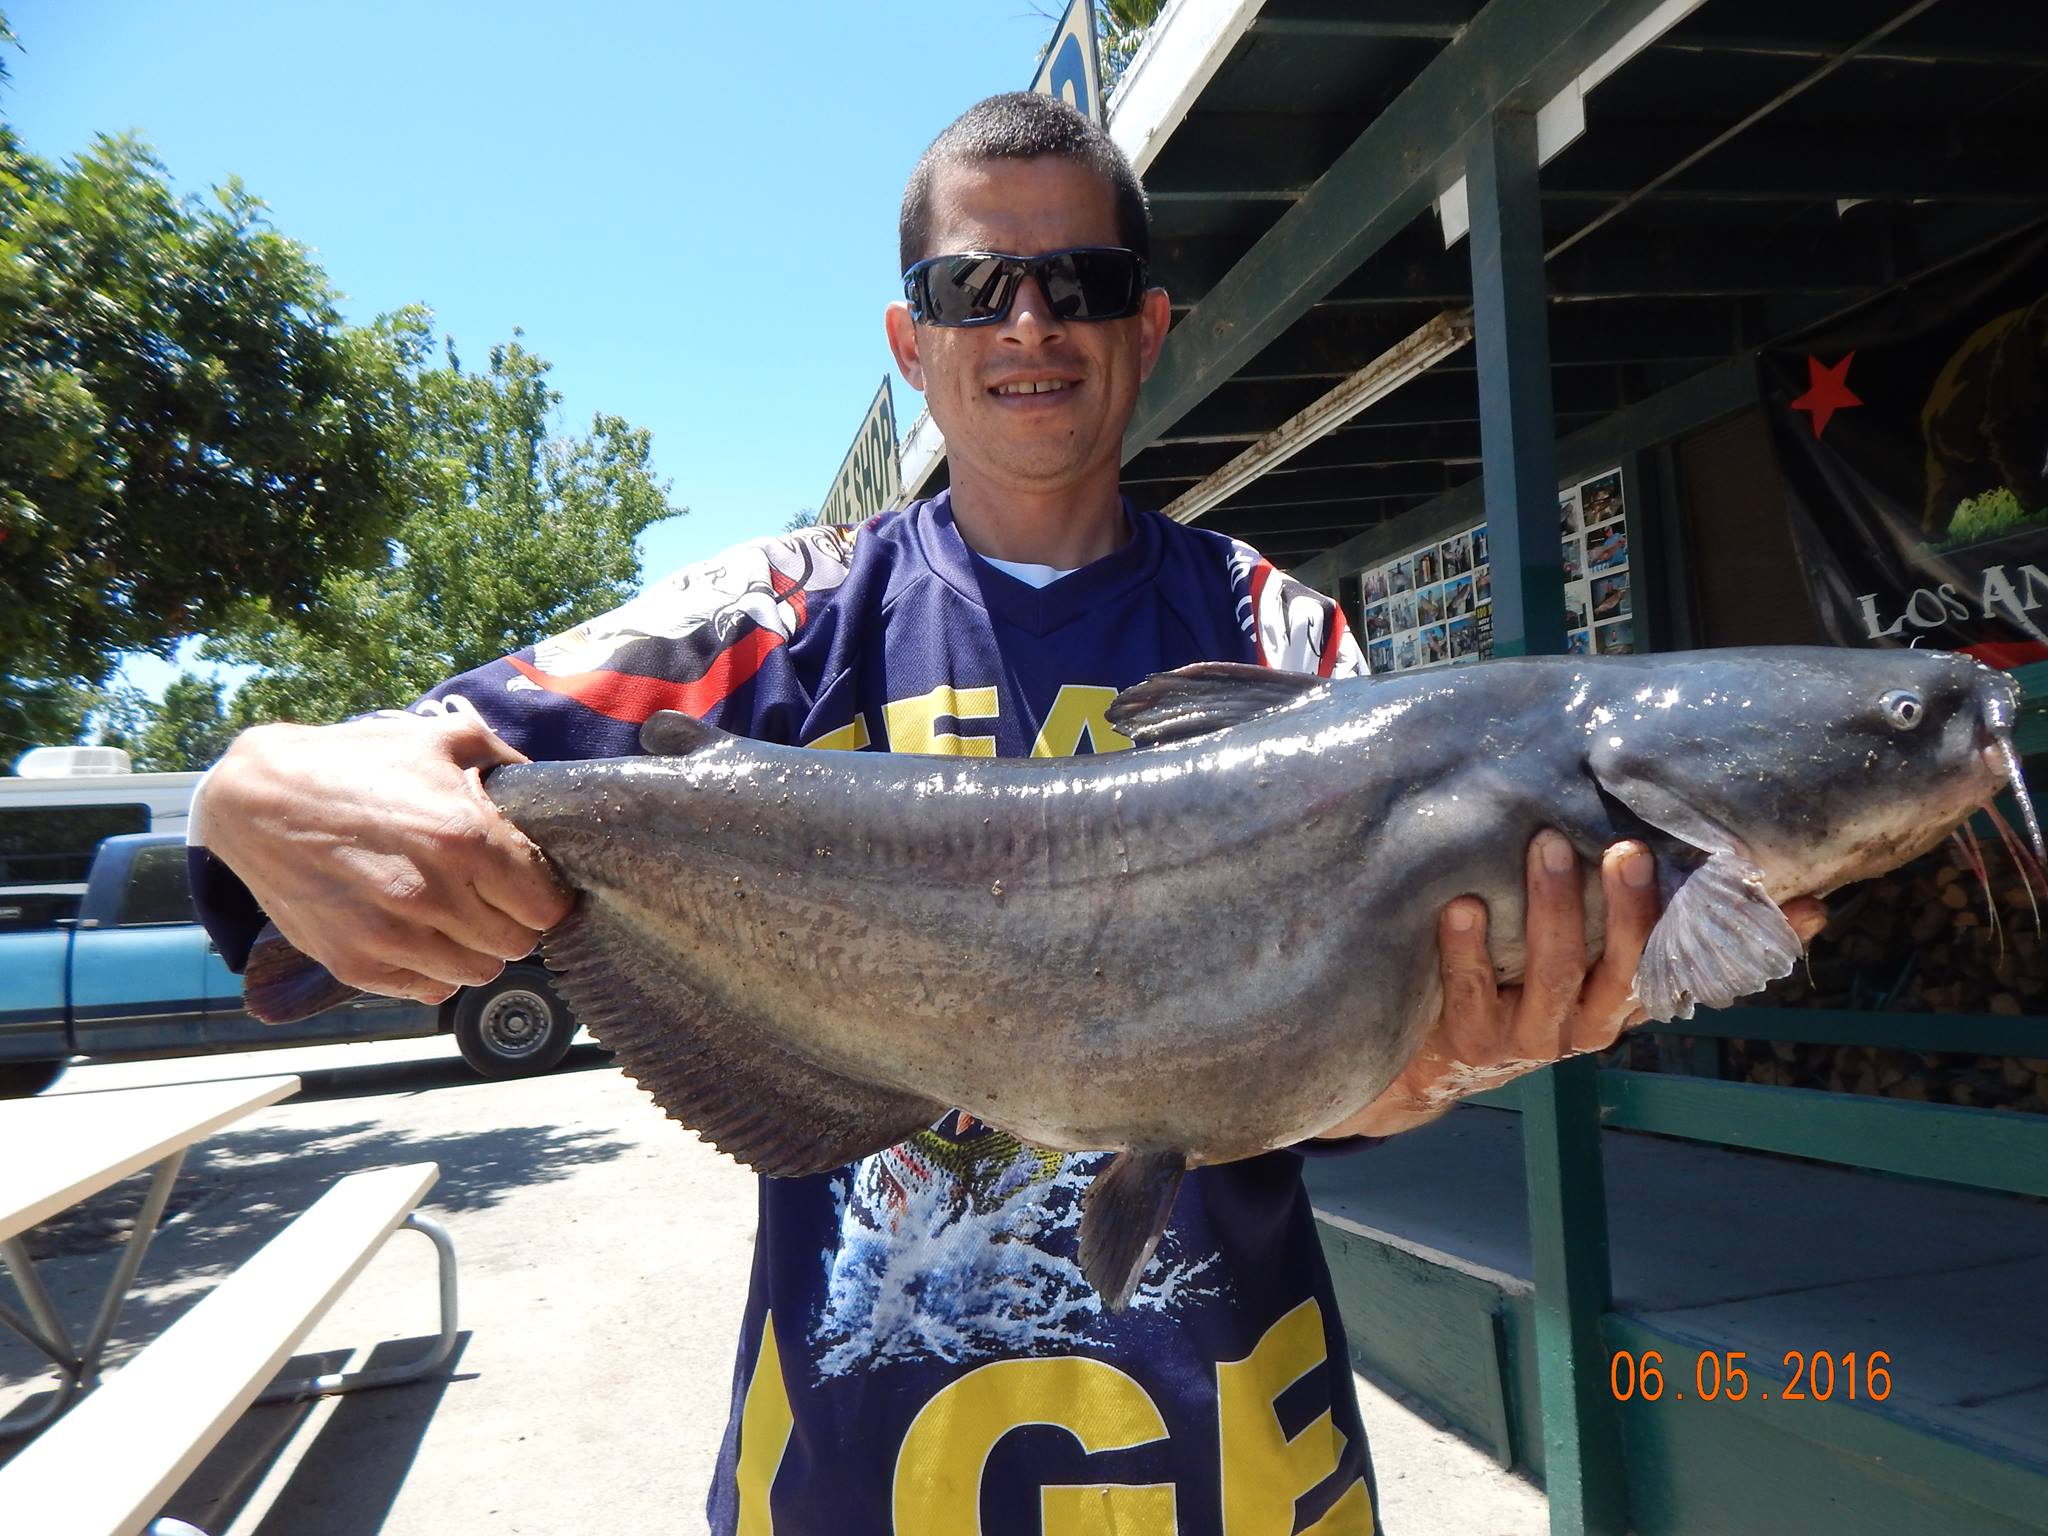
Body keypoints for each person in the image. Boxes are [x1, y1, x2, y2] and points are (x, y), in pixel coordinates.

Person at [192, 93, 1821, 1534]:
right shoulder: (773, 617)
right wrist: (255, 783)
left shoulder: (1293, 646)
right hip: (841, 1479)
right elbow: (409, 788)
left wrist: (1461, 1058)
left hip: (1250, 1471)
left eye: (1083, 284)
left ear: (1150, 321)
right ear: (912, 340)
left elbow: (1352, 1093)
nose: (1029, 322)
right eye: (976, 288)